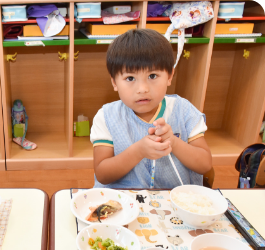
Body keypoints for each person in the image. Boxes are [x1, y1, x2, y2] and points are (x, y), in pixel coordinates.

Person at [91, 29, 212, 188]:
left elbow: (205, 164)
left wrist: (173, 142)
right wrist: (139, 151)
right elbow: (102, 174)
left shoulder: (183, 110)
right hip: (122, 203)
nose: (142, 89)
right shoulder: (106, 116)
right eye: (130, 78)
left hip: (174, 202)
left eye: (152, 76)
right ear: (114, 82)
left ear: (169, 76)